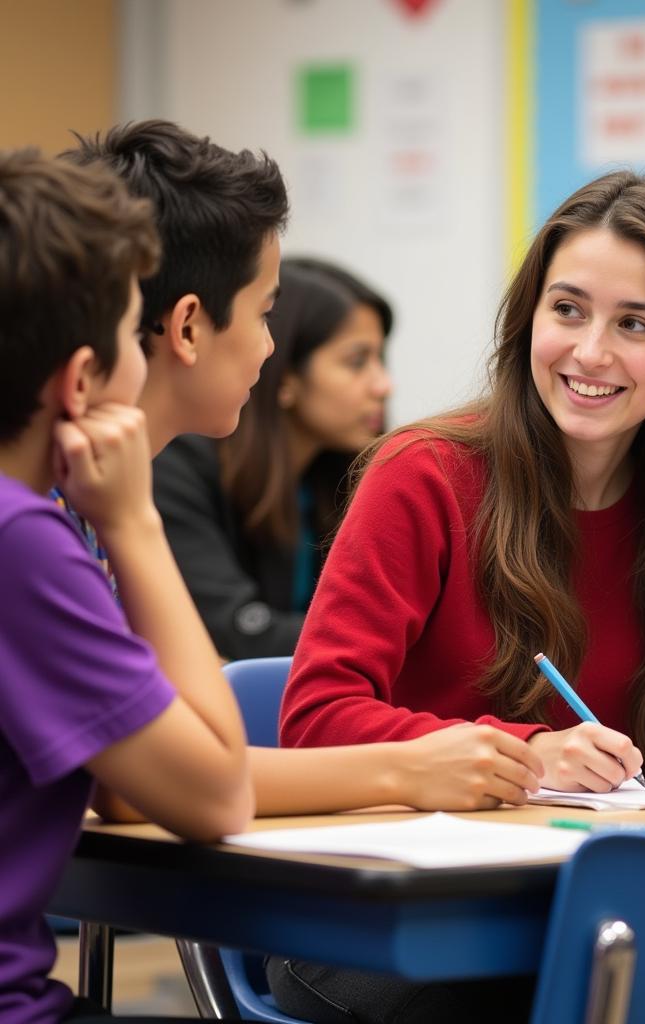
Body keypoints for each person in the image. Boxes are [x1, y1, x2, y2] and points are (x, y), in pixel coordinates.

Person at [274, 166, 645, 1024]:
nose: (590, 352)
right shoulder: (424, 477)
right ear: (528, 320)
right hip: (393, 922)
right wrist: (525, 755)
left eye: (636, 325)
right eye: (568, 309)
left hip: (591, 915)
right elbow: (316, 716)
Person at [68, 119, 543, 818]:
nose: (267, 350)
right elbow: (180, 782)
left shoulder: (87, 494)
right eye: (265, 314)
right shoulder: (56, 515)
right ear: (190, 327)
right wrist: (404, 770)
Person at [0, 149, 252, 1023]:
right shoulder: (23, 541)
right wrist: (134, 525)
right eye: (125, 340)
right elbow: (217, 795)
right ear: (79, 383)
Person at [152, 257, 394, 659]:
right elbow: (236, 632)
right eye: (357, 362)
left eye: (380, 359)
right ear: (284, 377)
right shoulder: (178, 466)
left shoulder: (335, 474)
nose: (383, 385)